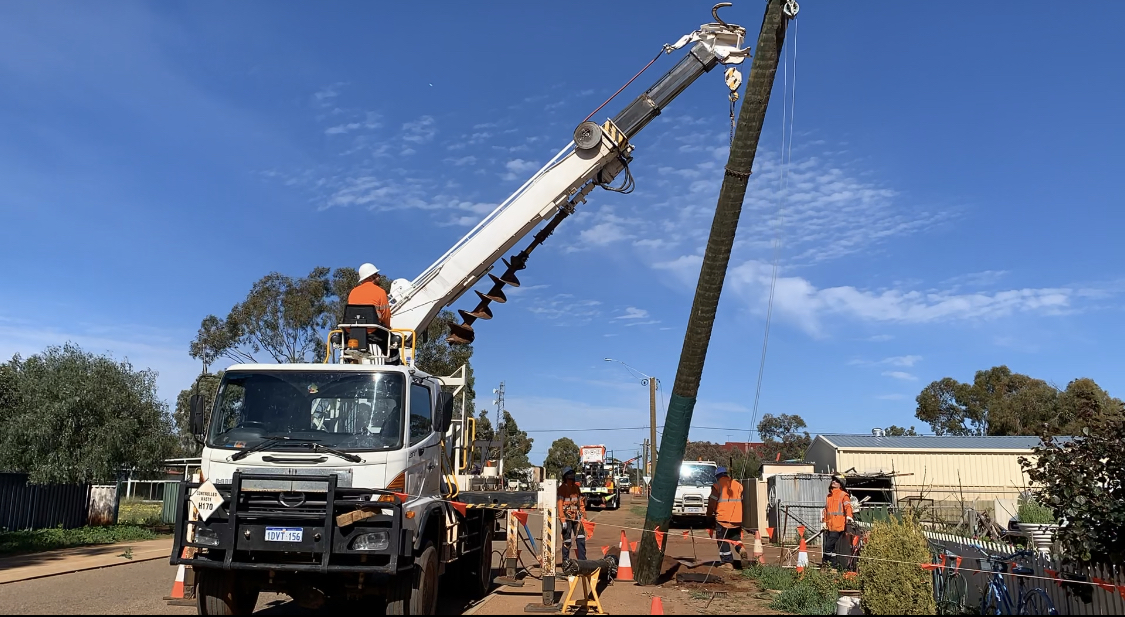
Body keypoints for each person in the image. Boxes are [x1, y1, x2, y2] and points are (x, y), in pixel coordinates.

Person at [706, 467, 744, 569]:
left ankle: (727, 562)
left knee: (722, 539)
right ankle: (741, 549)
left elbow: (712, 503)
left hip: (723, 518)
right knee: (734, 537)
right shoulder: (738, 485)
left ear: (717, 476)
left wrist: (709, 515)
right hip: (737, 518)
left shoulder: (717, 485)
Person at [821, 475, 854, 570]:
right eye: (833, 480)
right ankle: (833, 565)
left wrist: (849, 516)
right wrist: (824, 522)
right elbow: (826, 510)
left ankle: (829, 564)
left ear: (841, 484)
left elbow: (848, 507)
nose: (834, 482)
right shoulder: (829, 496)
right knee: (832, 547)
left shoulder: (843, 495)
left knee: (828, 547)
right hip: (830, 526)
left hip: (838, 526)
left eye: (836, 481)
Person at [347, 263, 392, 327]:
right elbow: (386, 316)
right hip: (375, 332)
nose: (379, 276)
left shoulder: (353, 292)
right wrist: (388, 329)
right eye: (376, 274)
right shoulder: (380, 292)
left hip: (353, 331)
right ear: (371, 277)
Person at [557, 467, 587, 562]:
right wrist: (563, 520)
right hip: (566, 517)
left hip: (577, 516)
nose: (571, 476)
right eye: (569, 474)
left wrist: (584, 516)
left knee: (581, 538)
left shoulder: (576, 488)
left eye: (572, 474)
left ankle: (583, 561)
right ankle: (565, 561)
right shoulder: (561, 489)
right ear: (565, 476)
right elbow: (560, 504)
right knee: (567, 540)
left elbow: (581, 502)